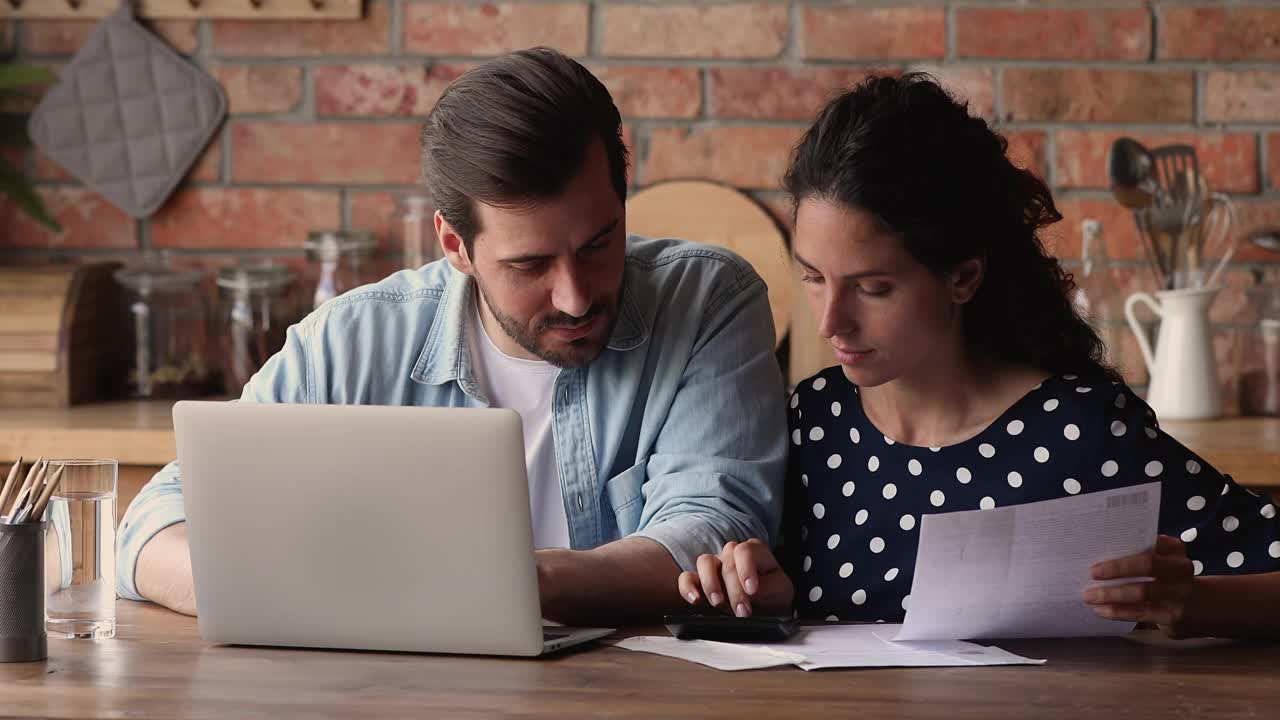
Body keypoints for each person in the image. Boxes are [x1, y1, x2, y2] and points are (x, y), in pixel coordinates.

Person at [118, 48, 787, 625]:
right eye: (530, 265)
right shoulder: (350, 343)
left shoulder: (707, 301)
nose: (575, 294)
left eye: (599, 243)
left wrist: (525, 581)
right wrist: (289, 591)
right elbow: (156, 523)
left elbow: (713, 529)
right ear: (454, 244)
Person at [679, 73, 1280, 638]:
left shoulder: (1080, 432)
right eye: (813, 277)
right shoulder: (811, 423)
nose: (831, 320)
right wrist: (765, 600)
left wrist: (1194, 602)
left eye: (873, 288)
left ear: (963, 277)